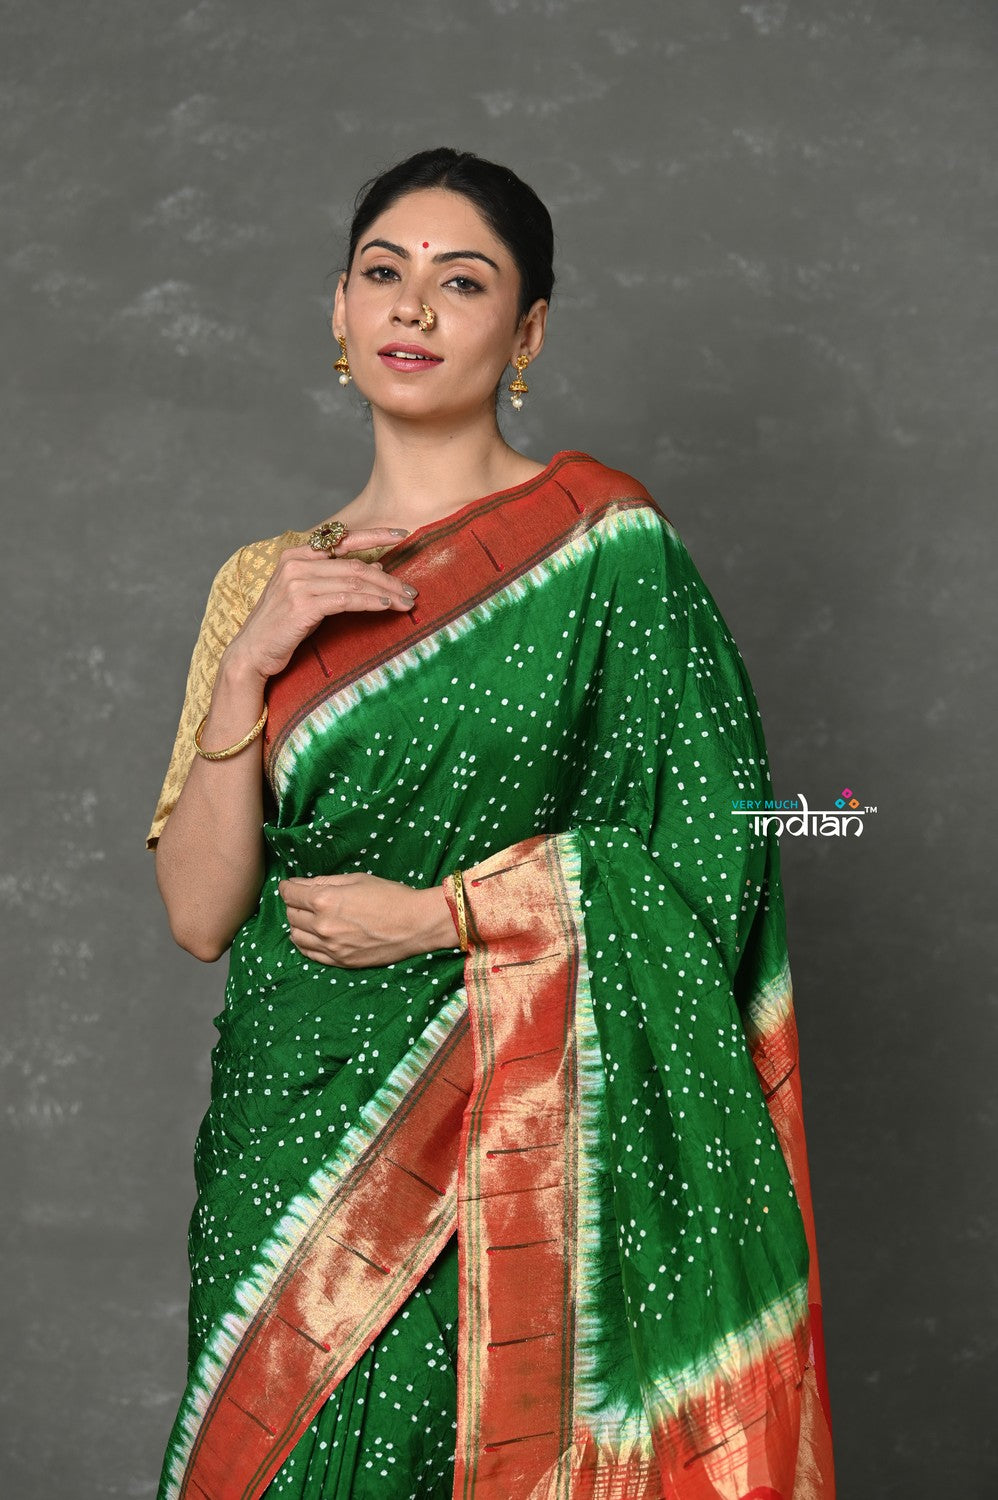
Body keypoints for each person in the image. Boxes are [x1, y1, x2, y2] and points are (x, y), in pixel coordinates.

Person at [147, 147, 835, 1500]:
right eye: (382, 274)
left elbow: (727, 841)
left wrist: (449, 917)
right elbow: (197, 913)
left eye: (461, 282)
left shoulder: (608, 549)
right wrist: (246, 666)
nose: (412, 307)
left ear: (526, 333)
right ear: (338, 309)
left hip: (520, 1132)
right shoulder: (261, 581)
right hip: (291, 1137)